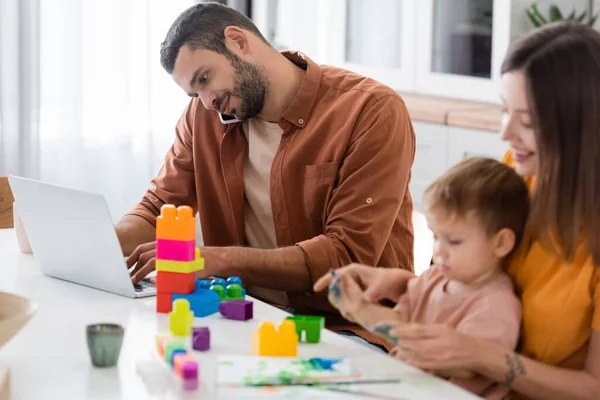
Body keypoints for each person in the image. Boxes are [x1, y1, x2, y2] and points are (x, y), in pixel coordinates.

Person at [315, 21, 600, 400]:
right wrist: (399, 282)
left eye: (528, 122)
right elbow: (478, 278)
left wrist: (483, 356)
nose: (506, 134)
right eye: (504, 111)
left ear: (581, 128)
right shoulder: (518, 173)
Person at [115, 3, 416, 349]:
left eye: (205, 79)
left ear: (238, 41)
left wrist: (215, 259)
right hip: (245, 314)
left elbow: (345, 255)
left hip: (344, 327)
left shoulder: (369, 110)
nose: (207, 100)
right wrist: (96, 241)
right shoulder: (203, 115)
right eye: (194, 92)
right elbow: (159, 205)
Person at [327, 157, 528, 398]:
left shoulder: (496, 306)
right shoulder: (434, 278)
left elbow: (462, 365)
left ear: (501, 243)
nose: (439, 251)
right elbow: (399, 320)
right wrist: (357, 303)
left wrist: (364, 312)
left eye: (454, 241)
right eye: (435, 236)